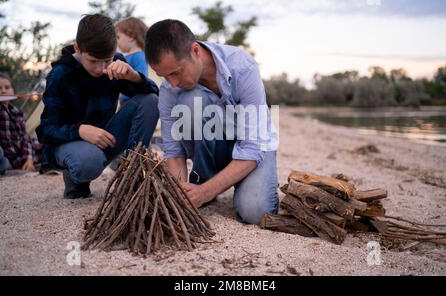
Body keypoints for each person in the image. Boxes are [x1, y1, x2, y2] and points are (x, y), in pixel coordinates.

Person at [145, 19, 279, 225]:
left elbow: (253, 147)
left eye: (175, 72)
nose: (172, 83)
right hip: (212, 150)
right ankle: (205, 178)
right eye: (164, 76)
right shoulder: (169, 88)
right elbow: (173, 149)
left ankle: (212, 185)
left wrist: (205, 193)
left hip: (253, 148)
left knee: (255, 212)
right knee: (190, 101)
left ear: (195, 51)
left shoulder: (243, 67)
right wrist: (181, 192)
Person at [36, 14, 159, 199]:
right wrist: (80, 131)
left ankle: (132, 174)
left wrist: (134, 76)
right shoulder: (60, 74)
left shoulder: (116, 63)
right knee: (88, 161)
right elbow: (46, 131)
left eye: (106, 61)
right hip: (72, 144)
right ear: (78, 48)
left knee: (150, 100)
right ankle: (75, 177)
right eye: (93, 61)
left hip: (105, 139)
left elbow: (152, 94)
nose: (100, 69)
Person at [0, 72, 42, 174]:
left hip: (20, 155)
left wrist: (29, 158)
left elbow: (25, 137)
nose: (3, 91)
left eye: (7, 87)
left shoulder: (17, 112)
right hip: (7, 158)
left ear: (13, 90)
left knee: (43, 145)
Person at [115, 17, 149, 105]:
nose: (116, 41)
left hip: (132, 101)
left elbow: (141, 78)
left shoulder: (139, 56)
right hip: (126, 100)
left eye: (118, 37)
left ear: (131, 36)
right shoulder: (127, 56)